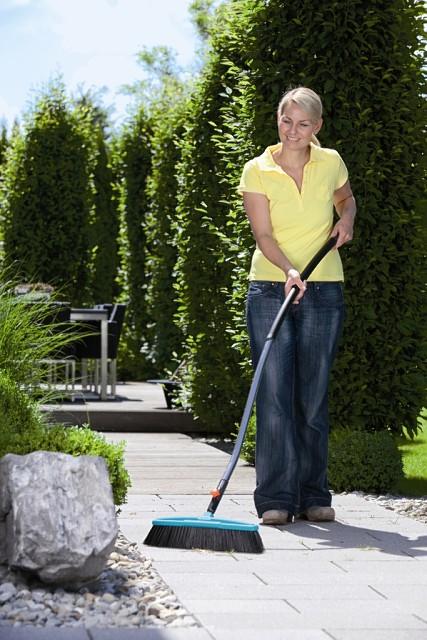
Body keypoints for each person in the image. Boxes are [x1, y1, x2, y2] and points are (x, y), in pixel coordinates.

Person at [238, 86, 356, 525]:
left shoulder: (331, 161)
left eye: (303, 124)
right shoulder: (258, 170)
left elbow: (345, 198)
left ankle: (313, 495)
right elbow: (263, 235)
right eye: (287, 121)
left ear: (317, 126)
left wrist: (346, 218)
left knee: (313, 396)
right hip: (271, 289)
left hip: (324, 289)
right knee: (274, 396)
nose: (293, 131)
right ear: (278, 119)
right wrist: (289, 270)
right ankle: (275, 498)